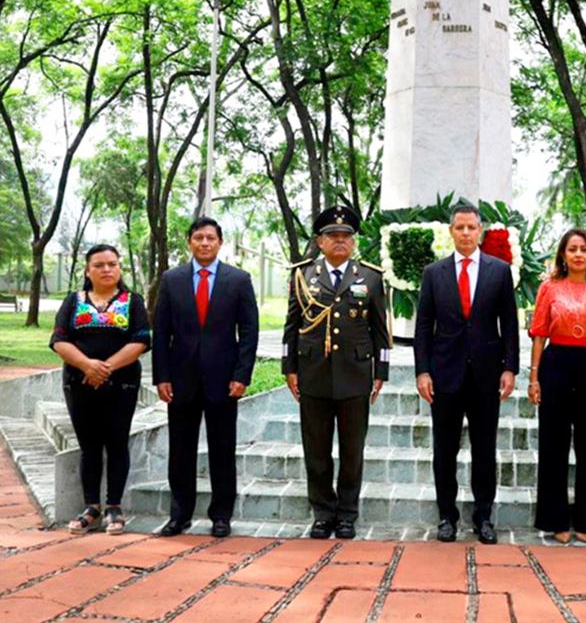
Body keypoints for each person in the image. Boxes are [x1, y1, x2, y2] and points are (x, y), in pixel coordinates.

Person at [283, 205, 390, 540]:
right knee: (316, 449)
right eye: (333, 236)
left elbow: (380, 330)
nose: (340, 241)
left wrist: (380, 371)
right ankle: (322, 512)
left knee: (351, 450)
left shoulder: (370, 277)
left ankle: (347, 514)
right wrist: (289, 368)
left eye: (346, 236)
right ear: (320, 241)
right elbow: (291, 327)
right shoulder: (302, 275)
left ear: (354, 242)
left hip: (355, 374)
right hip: (313, 372)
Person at [415, 204, 520, 545]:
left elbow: (510, 324)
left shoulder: (499, 271)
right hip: (444, 375)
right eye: (459, 227)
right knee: (444, 450)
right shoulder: (434, 273)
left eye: (471, 227)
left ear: (480, 231)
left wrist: (510, 367)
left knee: (484, 450)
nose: (464, 233)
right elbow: (423, 326)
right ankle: (447, 516)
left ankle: (484, 516)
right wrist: (422, 371)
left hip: (486, 376)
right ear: (451, 231)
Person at [153, 217, 259, 538]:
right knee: (180, 450)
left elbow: (249, 331)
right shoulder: (171, 280)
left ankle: (221, 515)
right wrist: (162, 377)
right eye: (198, 237)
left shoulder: (238, 280)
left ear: (220, 242)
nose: (204, 243)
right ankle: (180, 514)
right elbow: (162, 332)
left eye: (210, 238)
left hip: (224, 380)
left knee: (222, 449)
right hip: (181, 380)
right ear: (189, 242)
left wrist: (242, 376)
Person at [527, 228, 586, 543]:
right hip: (556, 365)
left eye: (583, 249)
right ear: (563, 255)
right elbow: (539, 333)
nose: (578, 254)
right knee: (553, 444)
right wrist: (534, 376)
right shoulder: (549, 288)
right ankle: (555, 521)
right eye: (572, 249)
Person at [50, 244, 151, 534]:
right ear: (87, 270)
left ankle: (114, 506)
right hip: (79, 384)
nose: (107, 270)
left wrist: (104, 368)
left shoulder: (133, 301)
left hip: (122, 383)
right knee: (89, 445)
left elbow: (142, 339)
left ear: (119, 268)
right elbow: (59, 339)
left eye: (112, 264)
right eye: (99, 265)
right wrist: (86, 366)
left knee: (117, 442)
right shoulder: (73, 301)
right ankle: (91, 506)